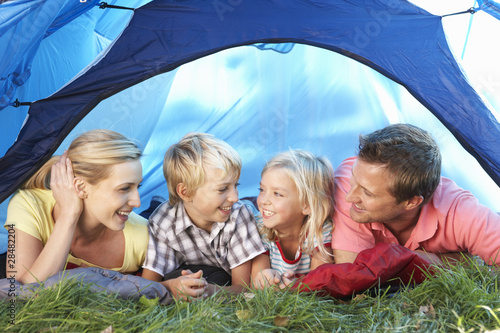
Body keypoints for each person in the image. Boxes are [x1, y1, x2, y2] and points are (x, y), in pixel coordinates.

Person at [332, 123, 500, 266]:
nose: (350, 197)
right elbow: (353, 275)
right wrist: (444, 261)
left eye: (367, 193)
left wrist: (423, 260)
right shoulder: (347, 179)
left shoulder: (462, 213)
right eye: (354, 180)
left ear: (411, 202)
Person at [4, 129, 150, 284]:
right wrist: (69, 214)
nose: (137, 202)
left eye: (137, 186)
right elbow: (18, 292)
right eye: (125, 188)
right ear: (80, 187)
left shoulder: (144, 236)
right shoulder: (28, 205)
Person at [142, 133, 266, 299]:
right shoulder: (162, 222)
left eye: (235, 185)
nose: (234, 197)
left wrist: (209, 291)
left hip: (247, 215)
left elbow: (243, 289)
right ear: (185, 192)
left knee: (250, 207)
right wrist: (172, 287)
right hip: (198, 253)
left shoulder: (238, 215)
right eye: (222, 189)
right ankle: (154, 203)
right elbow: (147, 286)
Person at [250, 149, 334, 289]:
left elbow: (319, 283)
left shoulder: (321, 231)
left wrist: (297, 287)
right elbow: (257, 281)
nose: (264, 200)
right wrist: (267, 278)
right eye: (262, 190)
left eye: (277, 194)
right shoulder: (259, 227)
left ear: (306, 205)